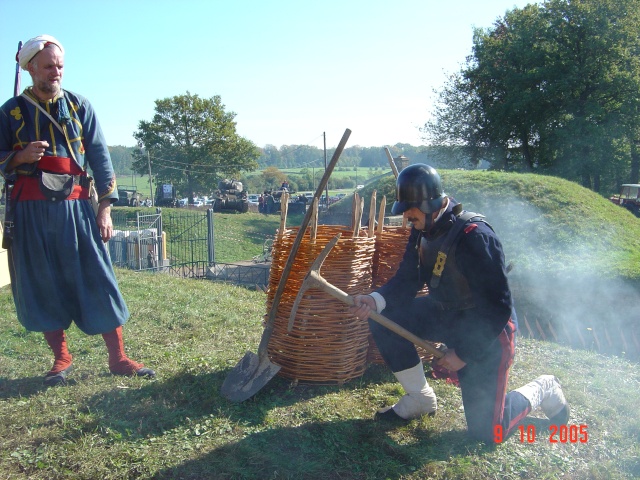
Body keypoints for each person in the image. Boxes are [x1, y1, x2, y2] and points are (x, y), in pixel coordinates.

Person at [350, 164, 568, 443]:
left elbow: (497, 306)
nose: (405, 216)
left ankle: (545, 387)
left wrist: (464, 353)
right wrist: (374, 300)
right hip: (446, 312)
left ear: (429, 204)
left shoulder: (475, 236)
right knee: (384, 318)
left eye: (410, 209)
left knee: (489, 434)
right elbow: (408, 279)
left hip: (487, 331)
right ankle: (420, 399)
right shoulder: (423, 229)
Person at [0, 35, 155, 386]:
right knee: (43, 283)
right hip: (30, 213)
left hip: (76, 209)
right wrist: (19, 157)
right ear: (30, 69)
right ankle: (61, 358)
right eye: (48, 66)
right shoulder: (9, 112)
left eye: (60, 66)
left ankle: (118, 358)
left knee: (97, 278)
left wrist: (105, 209)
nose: (56, 72)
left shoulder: (79, 105)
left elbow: (100, 159)